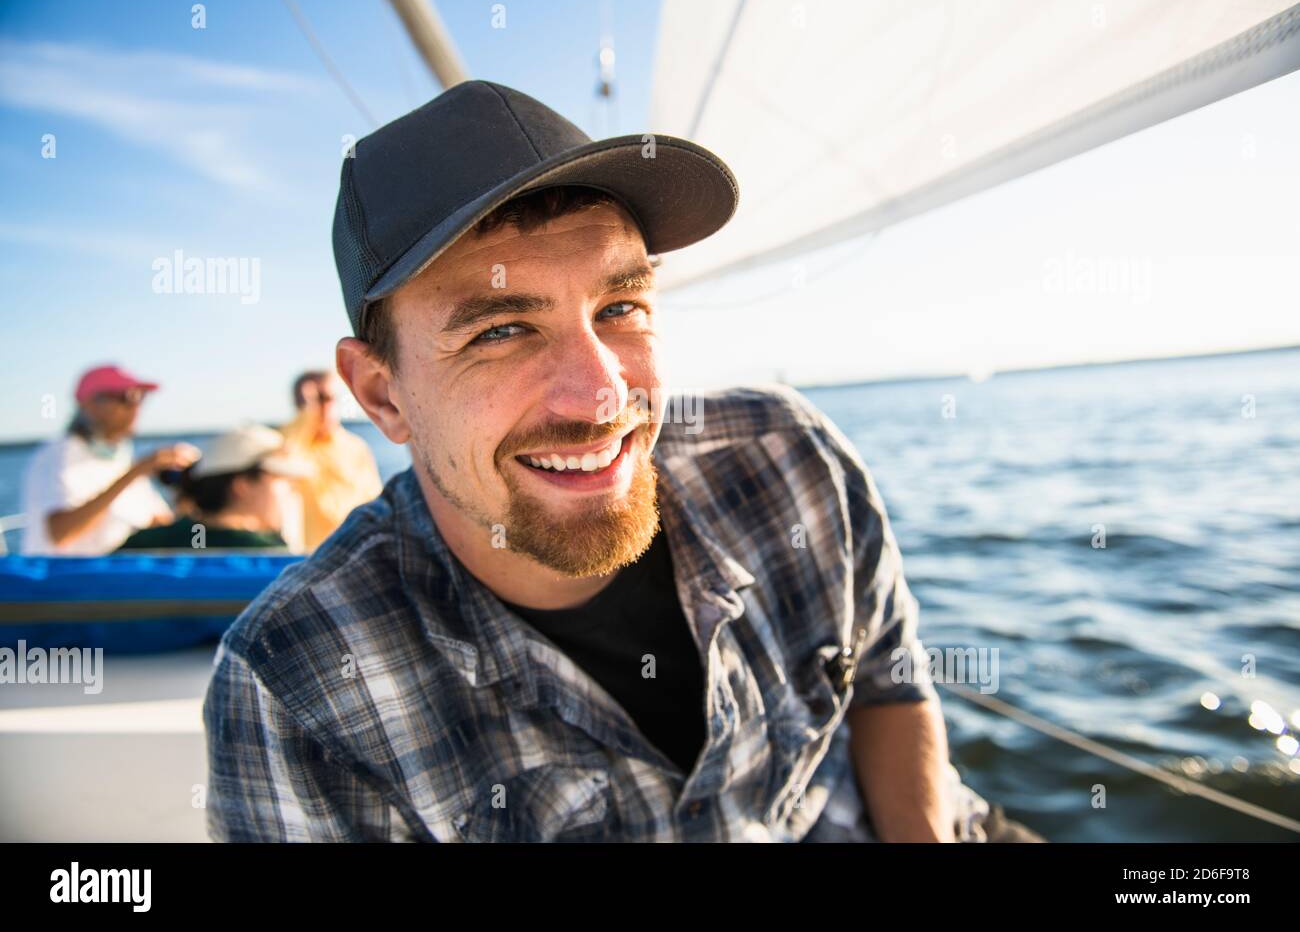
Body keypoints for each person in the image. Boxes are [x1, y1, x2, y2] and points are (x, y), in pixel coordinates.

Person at [204, 80, 1043, 842]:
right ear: (383, 395)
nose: (601, 396)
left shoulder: (787, 459)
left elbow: (889, 683)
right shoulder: (298, 686)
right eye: (500, 330)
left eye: (622, 305)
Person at [21, 364, 199, 555]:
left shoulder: (120, 458)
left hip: (118, 574)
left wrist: (192, 489)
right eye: (127, 398)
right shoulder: (59, 454)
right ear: (89, 404)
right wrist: (136, 471)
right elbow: (61, 533)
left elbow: (160, 522)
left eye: (141, 398)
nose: (135, 408)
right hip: (67, 578)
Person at [118, 424, 310, 551]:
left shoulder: (152, 542)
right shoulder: (275, 556)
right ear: (242, 486)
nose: (292, 491)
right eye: (285, 482)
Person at [278, 370, 382, 552]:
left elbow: (375, 502)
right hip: (306, 556)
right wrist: (306, 416)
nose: (321, 407)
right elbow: (282, 462)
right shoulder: (287, 442)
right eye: (313, 400)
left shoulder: (355, 447)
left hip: (352, 551)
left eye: (327, 398)